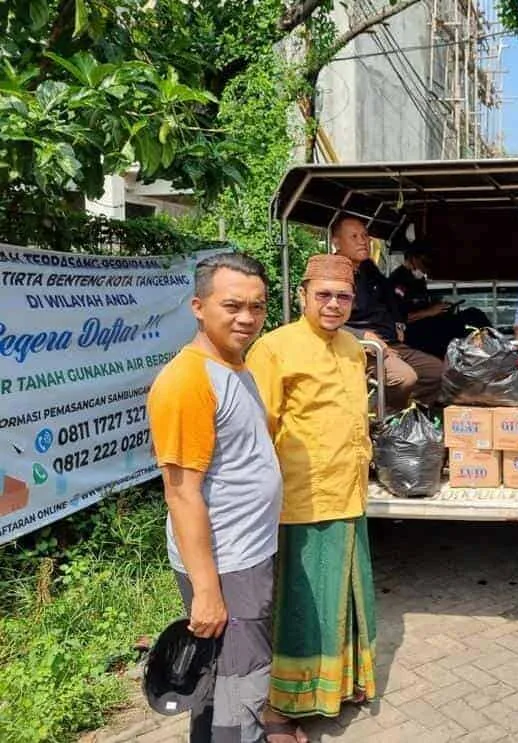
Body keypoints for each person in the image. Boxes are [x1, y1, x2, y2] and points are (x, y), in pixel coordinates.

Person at [147, 253, 282, 743]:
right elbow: (180, 492)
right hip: (226, 563)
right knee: (240, 682)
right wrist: (206, 591)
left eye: (257, 306)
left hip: (245, 554)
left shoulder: (235, 367)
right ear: (198, 306)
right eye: (233, 306)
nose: (247, 318)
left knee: (221, 678)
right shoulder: (187, 381)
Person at [246, 254, 377, 742]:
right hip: (300, 499)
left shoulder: (353, 347)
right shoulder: (274, 349)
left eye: (343, 296)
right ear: (301, 295)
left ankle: (338, 685)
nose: (333, 304)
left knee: (344, 593)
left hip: (349, 491)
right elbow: (259, 432)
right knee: (302, 605)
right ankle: (280, 710)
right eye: (323, 294)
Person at [330, 216, 442, 409]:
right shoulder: (331, 274)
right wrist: (364, 336)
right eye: (354, 237)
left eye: (365, 236)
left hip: (391, 342)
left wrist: (398, 322)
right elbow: (323, 319)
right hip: (361, 347)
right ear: (336, 242)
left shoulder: (368, 267)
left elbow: (390, 295)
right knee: (404, 378)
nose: (363, 241)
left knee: (439, 372)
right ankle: (387, 420)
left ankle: (407, 411)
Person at [390, 239, 491, 358]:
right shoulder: (398, 281)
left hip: (430, 325)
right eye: (424, 263)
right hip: (415, 333)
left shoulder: (418, 280)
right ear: (413, 258)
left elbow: (423, 304)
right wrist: (430, 311)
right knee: (468, 320)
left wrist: (439, 307)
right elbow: (399, 318)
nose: (425, 269)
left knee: (473, 314)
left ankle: (492, 348)